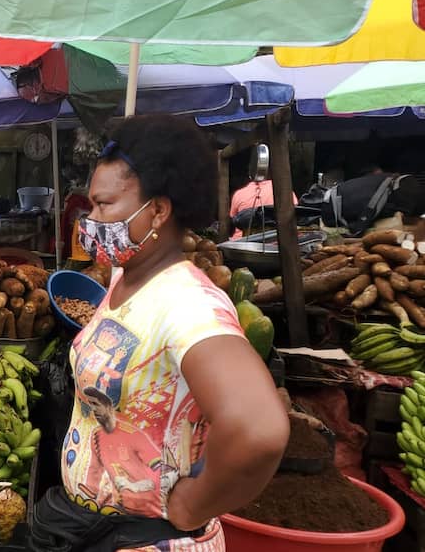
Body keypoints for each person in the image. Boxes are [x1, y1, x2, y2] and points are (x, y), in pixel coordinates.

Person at [31, 116, 288, 552]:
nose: (91, 220)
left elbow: (258, 430)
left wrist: (193, 505)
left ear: (158, 211)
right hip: (99, 531)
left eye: (105, 205)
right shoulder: (125, 279)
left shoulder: (188, 305)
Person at [229, 178, 298, 240]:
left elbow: (232, 220)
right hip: (275, 239)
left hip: (240, 242)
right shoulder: (285, 191)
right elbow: (295, 214)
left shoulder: (238, 194)